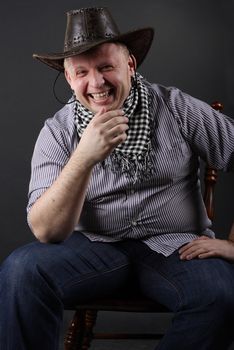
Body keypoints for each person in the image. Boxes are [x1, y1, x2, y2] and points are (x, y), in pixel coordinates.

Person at [0, 7, 234, 350]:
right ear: (69, 78)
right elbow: (47, 230)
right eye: (82, 72)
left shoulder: (175, 108)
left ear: (130, 66)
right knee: (21, 273)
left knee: (223, 297)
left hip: (176, 247)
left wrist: (232, 245)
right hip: (93, 247)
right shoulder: (58, 131)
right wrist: (85, 156)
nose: (96, 83)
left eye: (106, 67)